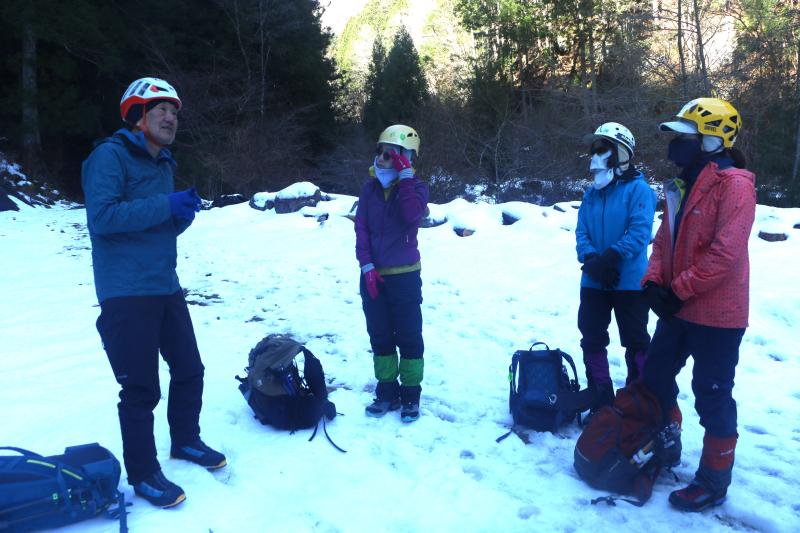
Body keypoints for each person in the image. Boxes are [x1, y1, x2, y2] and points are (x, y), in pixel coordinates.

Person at [82, 77, 226, 509]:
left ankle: (185, 440)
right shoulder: (108, 157)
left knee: (190, 369)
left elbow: (151, 225)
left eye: (175, 112)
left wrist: (179, 217)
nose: (170, 117)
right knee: (141, 389)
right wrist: (166, 206)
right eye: (160, 109)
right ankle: (144, 473)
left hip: (165, 284)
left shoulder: (163, 163)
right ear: (137, 116)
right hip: (126, 291)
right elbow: (103, 218)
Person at [641, 97, 755, 511]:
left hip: (718, 314)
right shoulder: (683, 184)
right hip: (678, 307)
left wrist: (678, 290)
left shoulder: (735, 185)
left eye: (685, 137)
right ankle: (666, 441)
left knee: (712, 393)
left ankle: (713, 480)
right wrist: (653, 281)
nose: (675, 144)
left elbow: (725, 254)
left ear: (712, 141)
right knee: (655, 376)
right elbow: (663, 240)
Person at [575, 122, 657, 413]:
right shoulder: (591, 194)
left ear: (621, 153)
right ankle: (600, 398)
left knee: (635, 341)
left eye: (603, 148)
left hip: (629, 281)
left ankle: (637, 402)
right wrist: (591, 260)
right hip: (593, 280)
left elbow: (640, 232)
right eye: (594, 149)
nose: (595, 155)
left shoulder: (639, 191)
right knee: (592, 337)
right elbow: (581, 231)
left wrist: (610, 258)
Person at [355, 125, 429, 423]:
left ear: (407, 157)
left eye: (391, 154)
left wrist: (406, 177)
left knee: (409, 336)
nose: (382, 158)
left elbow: (411, 215)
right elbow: (361, 229)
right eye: (380, 151)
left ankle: (410, 394)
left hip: (405, 276)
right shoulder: (369, 189)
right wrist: (366, 265)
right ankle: (387, 391)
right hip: (372, 275)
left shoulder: (417, 188)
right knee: (380, 336)